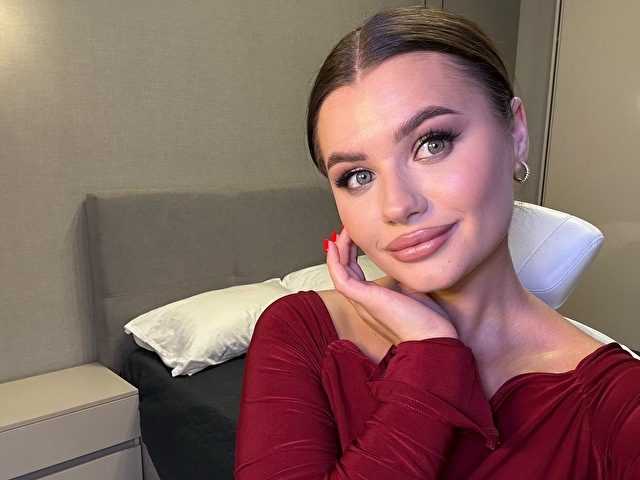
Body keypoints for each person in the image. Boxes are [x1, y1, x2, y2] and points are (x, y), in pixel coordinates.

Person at [235, 6, 640, 479]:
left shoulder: (618, 407)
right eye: (358, 175)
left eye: (433, 143)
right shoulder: (303, 331)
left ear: (516, 134)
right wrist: (431, 356)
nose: (397, 206)